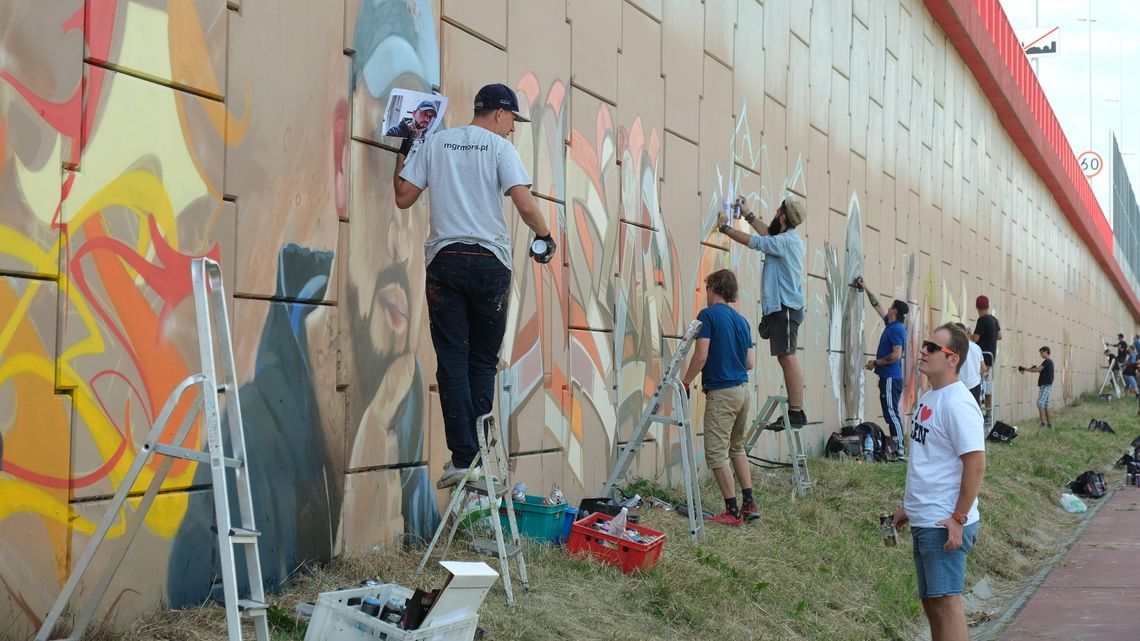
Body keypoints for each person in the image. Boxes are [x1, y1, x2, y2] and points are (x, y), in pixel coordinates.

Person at [393, 83, 556, 488]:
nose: (513, 128)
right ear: (499, 113)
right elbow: (524, 203)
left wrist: (406, 145)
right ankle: (478, 455)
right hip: (489, 265)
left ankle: (463, 457)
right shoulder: (500, 149)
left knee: (452, 359)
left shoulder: (435, 143)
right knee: (482, 361)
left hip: (445, 262)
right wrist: (545, 235)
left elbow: (402, 196)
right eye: (512, 120)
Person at [891, 323, 986, 641]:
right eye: (925, 344)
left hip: (945, 523)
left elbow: (975, 465)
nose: (923, 351)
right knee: (932, 604)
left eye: (933, 348)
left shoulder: (958, 403)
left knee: (946, 604)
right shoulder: (931, 396)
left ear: (952, 359)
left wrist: (958, 518)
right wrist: (910, 507)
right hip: (926, 517)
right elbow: (931, 461)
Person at [718, 196, 808, 428]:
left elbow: (756, 242)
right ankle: (796, 410)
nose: (775, 212)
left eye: (778, 210)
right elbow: (769, 236)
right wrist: (748, 215)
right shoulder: (786, 239)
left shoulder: (784, 242)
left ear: (783, 217)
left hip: (785, 308)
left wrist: (725, 228)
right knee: (785, 356)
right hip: (785, 308)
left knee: (788, 357)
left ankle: (796, 412)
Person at [680, 270, 758, 526]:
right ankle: (749, 504)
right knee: (737, 447)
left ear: (713, 287)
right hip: (743, 391)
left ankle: (732, 511)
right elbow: (750, 362)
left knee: (716, 452)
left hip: (722, 393)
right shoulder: (742, 321)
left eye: (707, 288)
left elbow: (701, 355)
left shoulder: (708, 316)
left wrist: (686, 381)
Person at [854, 277, 908, 459]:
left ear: (895, 311)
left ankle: (900, 449)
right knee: (888, 412)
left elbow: (896, 355)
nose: (888, 307)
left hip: (891, 378)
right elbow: (877, 305)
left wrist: (875, 363)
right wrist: (865, 287)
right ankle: (897, 446)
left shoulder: (896, 329)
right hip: (888, 377)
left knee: (891, 413)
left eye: (891, 306)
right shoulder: (891, 324)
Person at [970, 296, 1001, 416]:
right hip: (990, 357)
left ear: (977, 306)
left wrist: (968, 334)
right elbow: (1000, 336)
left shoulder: (982, 320)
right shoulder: (994, 320)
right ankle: (988, 413)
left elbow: (975, 338)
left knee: (977, 383)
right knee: (986, 383)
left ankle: (977, 411)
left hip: (982, 357)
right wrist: (990, 339)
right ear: (988, 305)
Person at [1017, 347, 1054, 429]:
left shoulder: (1047, 361)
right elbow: (1039, 371)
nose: (1041, 355)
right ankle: (1049, 425)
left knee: (1040, 403)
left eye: (1041, 353)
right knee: (1045, 405)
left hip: (1045, 385)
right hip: (1045, 385)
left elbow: (1037, 370)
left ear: (1046, 352)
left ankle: (1043, 424)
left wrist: (1025, 369)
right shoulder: (1049, 362)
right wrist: (1030, 369)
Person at [955, 323, 984, 407]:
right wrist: (974, 374)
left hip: (959, 385)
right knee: (974, 410)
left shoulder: (954, 348)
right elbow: (983, 368)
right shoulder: (976, 347)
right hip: (975, 384)